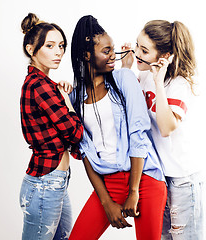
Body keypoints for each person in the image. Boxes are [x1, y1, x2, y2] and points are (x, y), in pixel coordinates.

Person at [67, 15, 167, 240]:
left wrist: (134, 191)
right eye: (106, 51)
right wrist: (106, 202)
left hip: (144, 179)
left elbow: (138, 133)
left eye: (113, 49)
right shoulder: (75, 97)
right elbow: (84, 151)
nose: (113, 55)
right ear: (86, 55)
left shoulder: (123, 79)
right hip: (108, 182)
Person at [121, 20, 203, 239]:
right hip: (158, 176)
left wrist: (158, 83)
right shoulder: (143, 74)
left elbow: (166, 128)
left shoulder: (179, 84)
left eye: (144, 50)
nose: (136, 52)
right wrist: (126, 70)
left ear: (164, 56)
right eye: (137, 45)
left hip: (181, 179)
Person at [19, 13, 83, 240]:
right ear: (31, 49)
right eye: (50, 45)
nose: (59, 52)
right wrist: (66, 101)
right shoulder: (39, 86)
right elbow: (75, 133)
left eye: (61, 46)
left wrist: (62, 92)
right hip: (46, 182)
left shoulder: (45, 84)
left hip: (54, 180)